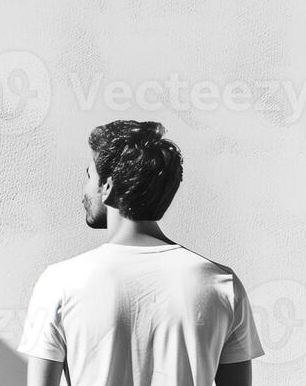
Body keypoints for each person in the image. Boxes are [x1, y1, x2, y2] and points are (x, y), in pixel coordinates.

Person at [19, 120, 263, 385]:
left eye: (90, 177)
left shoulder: (61, 282)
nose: (85, 190)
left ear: (108, 187)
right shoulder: (221, 284)